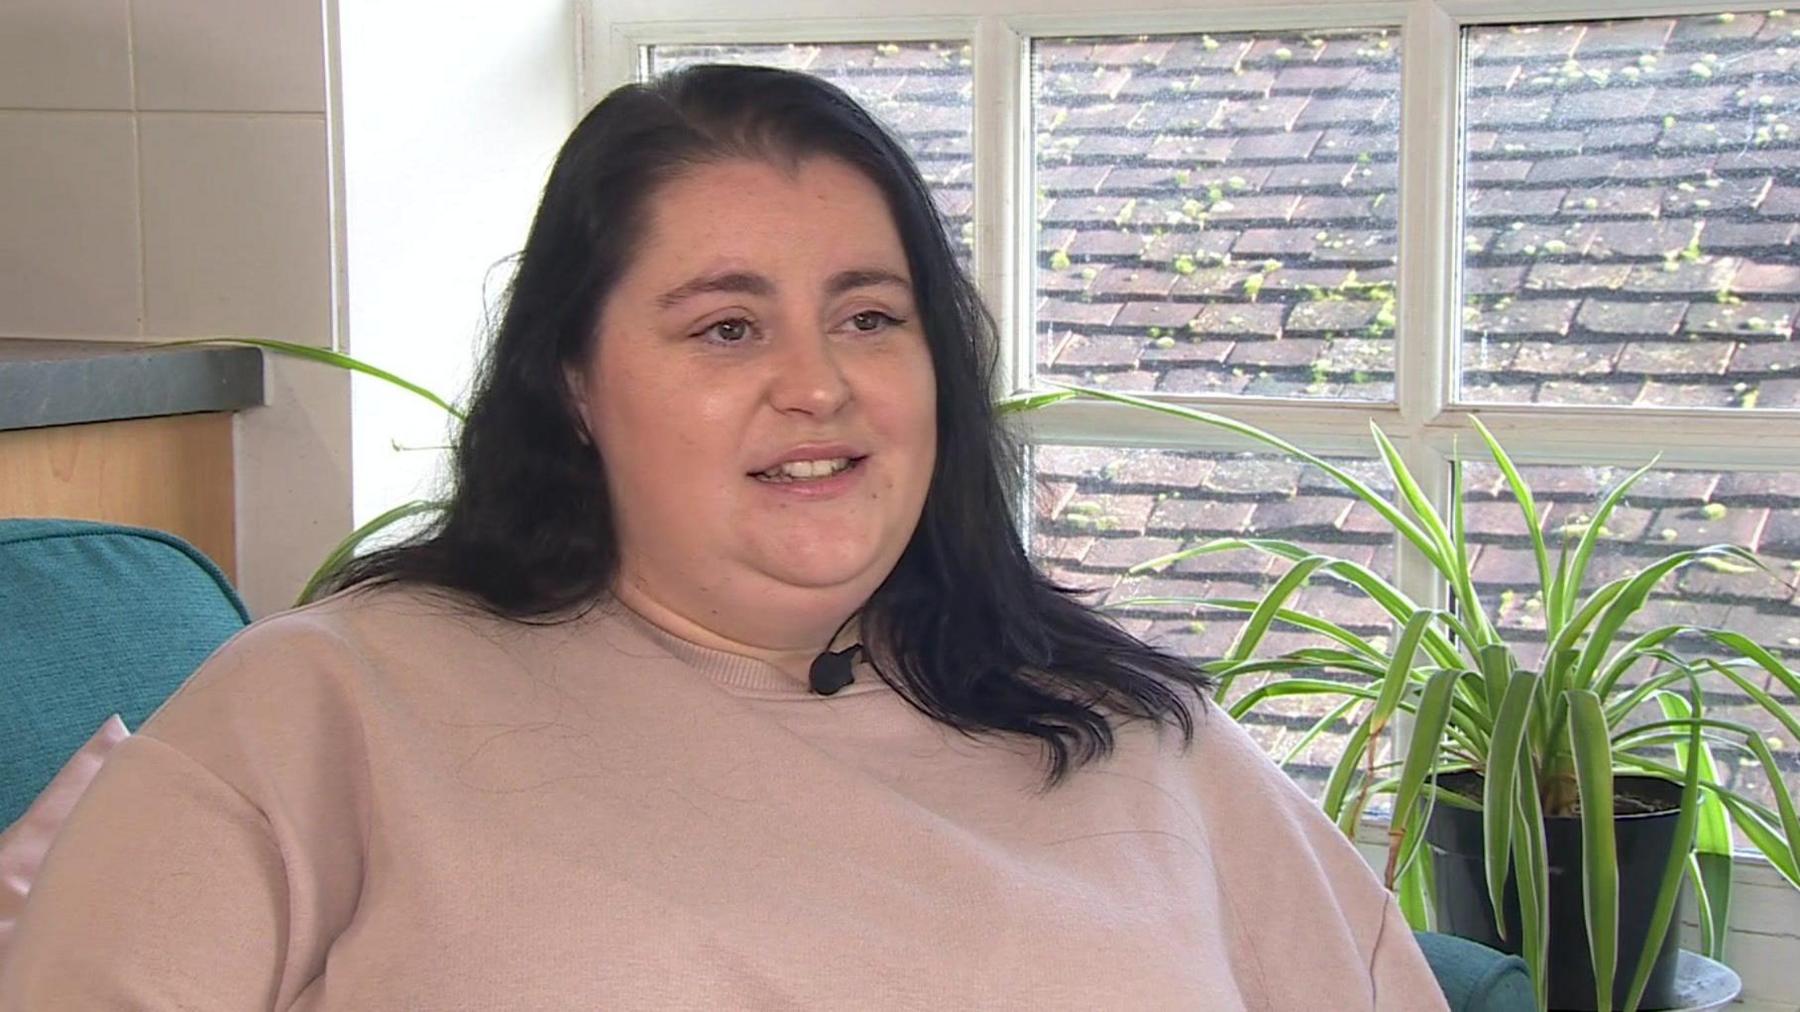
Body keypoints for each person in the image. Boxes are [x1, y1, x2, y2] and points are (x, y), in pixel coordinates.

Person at [0, 65, 1447, 1010]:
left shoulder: (1140, 737)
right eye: (727, 326)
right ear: (575, 382)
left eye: (870, 318)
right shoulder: (322, 704)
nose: (816, 382)